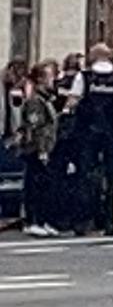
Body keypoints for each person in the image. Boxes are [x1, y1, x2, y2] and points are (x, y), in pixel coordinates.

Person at [72, 44, 113, 235]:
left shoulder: (83, 77)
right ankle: (111, 220)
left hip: (87, 133)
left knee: (85, 176)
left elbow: (73, 102)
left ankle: (84, 221)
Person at [16, 62, 61, 237]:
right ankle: (33, 220)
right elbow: (36, 127)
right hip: (35, 149)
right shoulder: (35, 100)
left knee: (45, 186)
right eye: (50, 77)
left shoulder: (46, 99)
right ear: (41, 79)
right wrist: (42, 150)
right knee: (35, 186)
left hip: (45, 148)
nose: (53, 81)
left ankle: (43, 220)